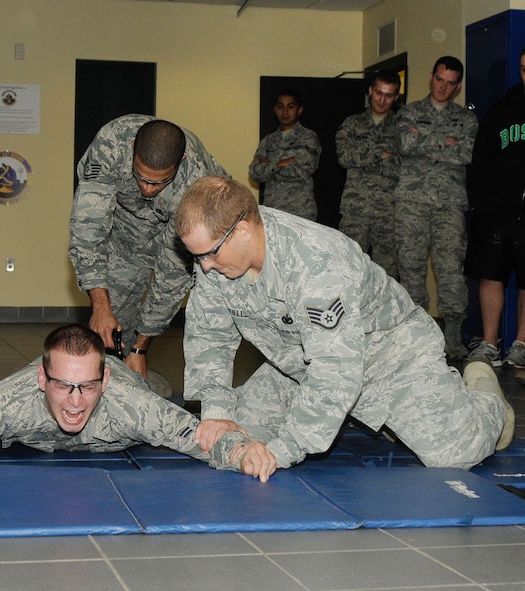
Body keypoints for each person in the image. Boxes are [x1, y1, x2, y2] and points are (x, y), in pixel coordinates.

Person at [174, 176, 515, 483]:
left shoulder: (317, 264)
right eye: (198, 256)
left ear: (243, 231)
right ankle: (370, 418)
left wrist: (283, 449)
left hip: (388, 359)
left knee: (455, 454)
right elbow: (210, 335)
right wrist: (217, 413)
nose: (205, 266)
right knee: (229, 442)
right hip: (299, 366)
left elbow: (337, 371)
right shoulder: (216, 255)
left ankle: (484, 395)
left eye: (210, 254)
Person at [0, 324, 252, 472]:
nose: (76, 401)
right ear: (42, 379)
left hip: (137, 382)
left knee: (158, 388)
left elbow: (196, 435)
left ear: (104, 380)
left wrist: (243, 452)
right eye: (63, 385)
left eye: (89, 386)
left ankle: (126, 367)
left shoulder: (131, 403)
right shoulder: (13, 399)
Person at [69, 115, 228, 395]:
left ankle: (140, 369)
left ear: (181, 162)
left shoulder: (198, 182)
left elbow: (172, 276)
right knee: (110, 322)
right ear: (132, 148)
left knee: (183, 302)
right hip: (127, 232)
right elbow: (88, 231)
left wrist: (141, 347)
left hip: (186, 224)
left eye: (159, 182)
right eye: (141, 177)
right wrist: (101, 306)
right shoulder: (110, 147)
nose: (147, 189)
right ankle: (113, 381)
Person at [393, 56, 479, 361]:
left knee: (450, 269)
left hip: (450, 205)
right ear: (431, 77)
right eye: (439, 79)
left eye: (451, 83)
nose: (443, 87)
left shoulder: (467, 120)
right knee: (411, 268)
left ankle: (453, 339)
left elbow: (465, 152)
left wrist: (425, 140)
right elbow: (404, 143)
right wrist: (445, 141)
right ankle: (417, 335)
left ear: (458, 86)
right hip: (411, 203)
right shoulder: (409, 112)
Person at [465, 48, 525, 368]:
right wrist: (479, 206)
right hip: (497, 211)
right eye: (524, 68)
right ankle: (489, 343)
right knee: (491, 275)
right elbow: (481, 161)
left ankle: (521, 345)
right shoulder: (502, 109)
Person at [335, 70, 402, 278]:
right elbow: (344, 156)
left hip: (388, 210)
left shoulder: (402, 127)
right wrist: (380, 154)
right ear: (370, 91)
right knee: (349, 267)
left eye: (389, 95)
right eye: (379, 93)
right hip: (356, 208)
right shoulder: (352, 124)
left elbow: (404, 166)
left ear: (396, 97)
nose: (383, 100)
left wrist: (364, 155)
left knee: (388, 273)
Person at [248, 89, 321, 221]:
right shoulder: (268, 140)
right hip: (272, 212)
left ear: (299, 110)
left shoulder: (308, 137)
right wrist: (281, 164)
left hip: (300, 212)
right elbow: (255, 173)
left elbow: (303, 170)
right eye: (280, 106)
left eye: (290, 106)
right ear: (275, 110)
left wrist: (269, 165)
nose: (285, 111)